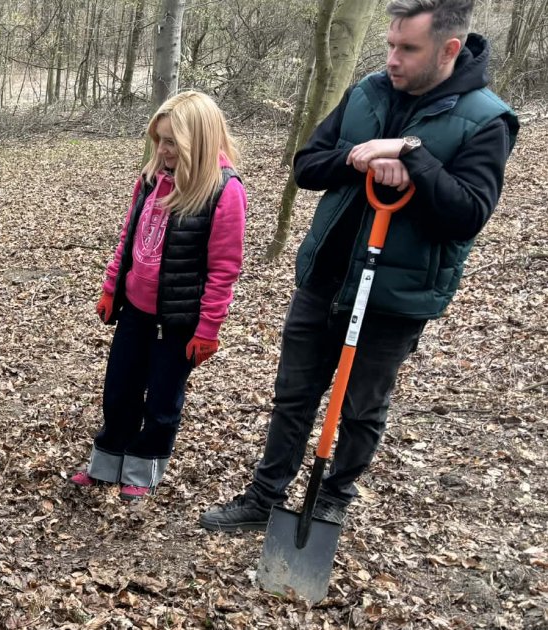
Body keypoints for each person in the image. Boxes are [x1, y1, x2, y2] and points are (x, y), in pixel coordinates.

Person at [200, 0, 518, 532]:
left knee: (362, 407)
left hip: (396, 295)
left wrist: (412, 156)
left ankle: (331, 499)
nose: (392, 58)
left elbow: (467, 214)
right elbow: (306, 166)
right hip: (326, 276)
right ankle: (263, 496)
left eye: (407, 48)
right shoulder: (367, 91)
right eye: (390, 43)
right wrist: (355, 157)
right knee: (293, 396)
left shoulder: (487, 119)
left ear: (449, 50)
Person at [68, 91, 248, 501]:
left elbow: (224, 269)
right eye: (159, 140)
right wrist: (111, 286)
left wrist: (208, 328)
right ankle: (107, 461)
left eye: (171, 141)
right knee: (119, 389)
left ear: (196, 140)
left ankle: (143, 469)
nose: (163, 149)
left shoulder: (224, 190)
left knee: (162, 399)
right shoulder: (151, 178)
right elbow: (128, 238)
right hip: (135, 310)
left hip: (179, 320)